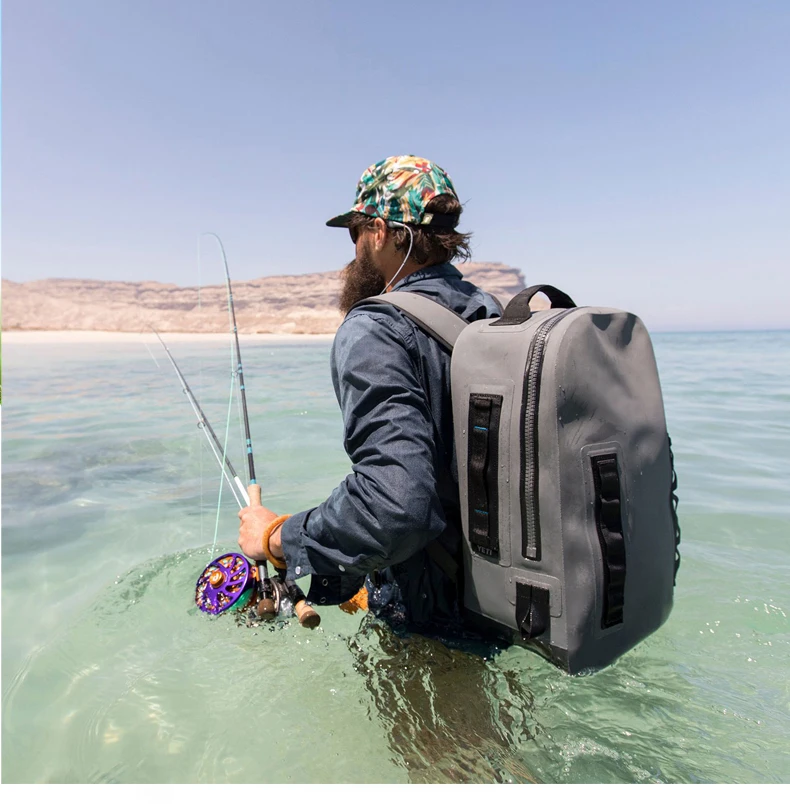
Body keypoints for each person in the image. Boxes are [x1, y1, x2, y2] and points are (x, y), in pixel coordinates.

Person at [237, 154, 502, 635]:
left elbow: (396, 506)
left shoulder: (375, 329)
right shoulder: (490, 313)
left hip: (433, 624)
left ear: (379, 231)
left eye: (356, 231)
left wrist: (277, 538)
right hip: (502, 602)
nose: (355, 246)